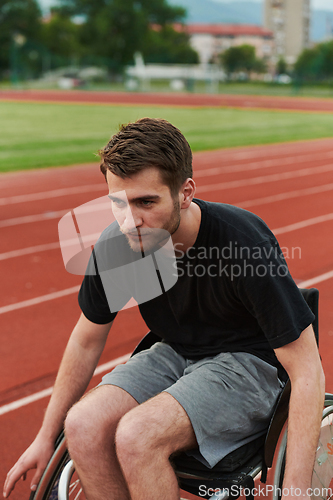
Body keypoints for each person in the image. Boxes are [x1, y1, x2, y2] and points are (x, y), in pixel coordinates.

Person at [4, 118, 325, 500]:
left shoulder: (242, 243)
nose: (130, 221)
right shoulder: (118, 246)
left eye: (146, 202)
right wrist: (44, 437)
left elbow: (307, 369)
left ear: (185, 192)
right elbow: (86, 341)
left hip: (250, 363)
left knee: (137, 435)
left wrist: (297, 490)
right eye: (117, 203)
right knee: (83, 425)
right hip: (176, 351)